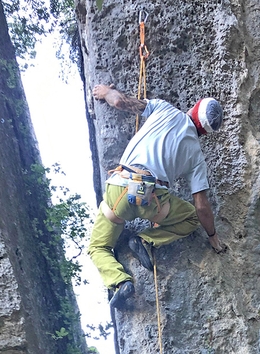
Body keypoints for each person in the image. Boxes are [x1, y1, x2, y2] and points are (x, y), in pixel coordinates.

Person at [88, 84, 225, 309]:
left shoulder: (164, 109)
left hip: (119, 189)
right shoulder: (197, 156)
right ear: (206, 132)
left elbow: (120, 102)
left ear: (194, 107)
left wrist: (105, 93)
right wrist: (212, 237)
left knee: (98, 247)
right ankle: (145, 239)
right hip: (151, 200)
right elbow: (201, 207)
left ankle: (120, 281)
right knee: (191, 219)